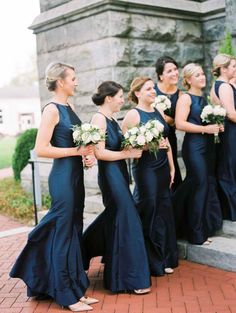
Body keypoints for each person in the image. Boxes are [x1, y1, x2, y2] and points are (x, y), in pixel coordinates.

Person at [9, 62, 98, 312]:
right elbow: (41, 148)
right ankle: (65, 295)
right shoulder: (51, 109)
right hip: (62, 179)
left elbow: (75, 142)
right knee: (62, 233)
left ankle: (76, 290)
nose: (76, 82)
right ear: (60, 81)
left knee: (73, 231)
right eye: (73, 78)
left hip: (75, 176)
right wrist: (75, 151)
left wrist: (86, 156)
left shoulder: (69, 106)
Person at [82, 81, 151, 294]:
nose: (123, 99)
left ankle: (84, 248)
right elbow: (100, 153)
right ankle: (131, 279)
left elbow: (119, 146)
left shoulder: (112, 119)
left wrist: (141, 143)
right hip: (110, 175)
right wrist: (126, 154)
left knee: (116, 217)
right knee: (128, 218)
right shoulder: (99, 118)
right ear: (108, 98)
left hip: (120, 172)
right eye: (120, 96)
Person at [122, 76, 178, 276]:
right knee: (150, 208)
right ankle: (150, 260)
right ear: (138, 93)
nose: (154, 91)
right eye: (148, 89)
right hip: (146, 169)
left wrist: (172, 168)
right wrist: (146, 146)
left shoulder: (158, 111)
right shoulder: (133, 115)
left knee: (164, 209)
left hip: (163, 167)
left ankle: (164, 257)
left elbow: (166, 142)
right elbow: (125, 145)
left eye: (154, 88)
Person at [174, 63, 223, 245]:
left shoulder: (204, 99)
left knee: (202, 184)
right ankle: (196, 234)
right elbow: (179, 123)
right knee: (200, 183)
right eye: (197, 75)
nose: (202, 77)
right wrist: (205, 129)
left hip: (209, 147)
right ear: (187, 80)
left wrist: (217, 126)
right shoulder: (185, 98)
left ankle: (193, 224)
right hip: (194, 147)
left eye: (202, 74)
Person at [210, 54, 236, 221]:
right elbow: (231, 114)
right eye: (233, 66)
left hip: (227, 132)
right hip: (232, 131)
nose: (235, 69)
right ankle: (231, 210)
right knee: (231, 169)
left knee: (228, 168)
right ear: (223, 68)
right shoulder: (225, 87)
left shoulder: (216, 85)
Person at [154, 56, 183, 191]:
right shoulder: (152, 91)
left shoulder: (180, 94)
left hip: (171, 137)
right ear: (161, 76)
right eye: (169, 71)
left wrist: (171, 120)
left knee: (174, 172)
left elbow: (180, 121)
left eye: (175, 69)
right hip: (153, 139)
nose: (174, 73)